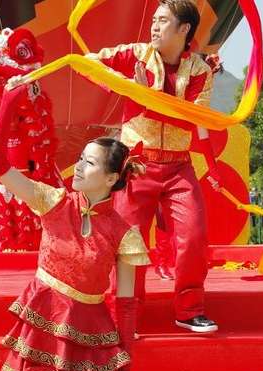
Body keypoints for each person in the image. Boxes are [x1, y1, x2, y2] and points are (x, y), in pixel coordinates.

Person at [0, 82, 150, 371]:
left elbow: (126, 304)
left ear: (111, 177)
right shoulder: (52, 201)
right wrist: (8, 102)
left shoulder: (124, 233)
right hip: (46, 333)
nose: (77, 167)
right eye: (79, 159)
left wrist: (125, 361)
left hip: (94, 342)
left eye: (89, 163)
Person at [89, 0, 221, 333]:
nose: (154, 26)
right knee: (129, 243)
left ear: (184, 29)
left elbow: (190, 119)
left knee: (193, 236)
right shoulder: (135, 55)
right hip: (137, 165)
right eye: (153, 20)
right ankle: (124, 315)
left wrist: (145, 97)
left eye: (162, 20)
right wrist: (122, 84)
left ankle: (189, 310)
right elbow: (88, 62)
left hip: (179, 167)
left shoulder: (200, 71)